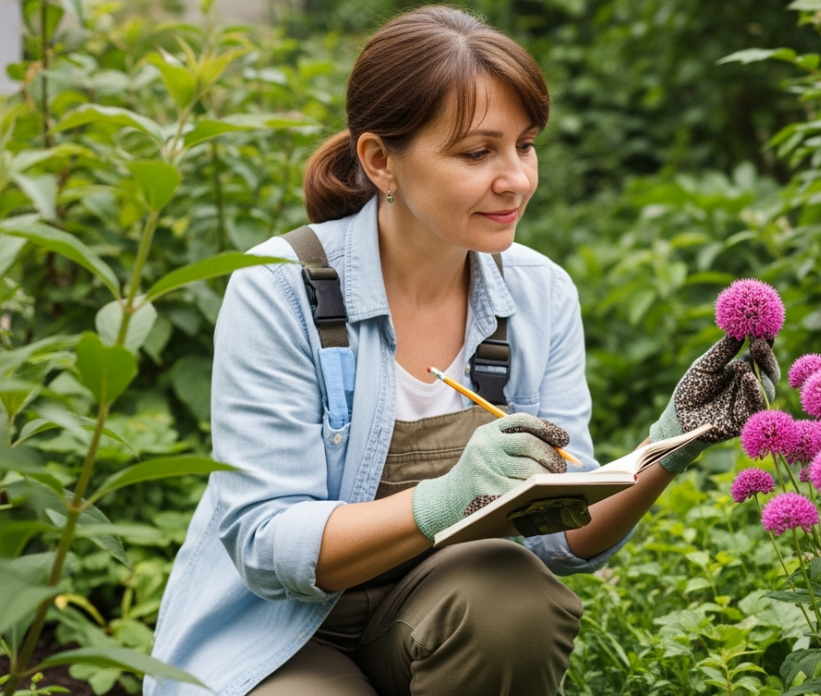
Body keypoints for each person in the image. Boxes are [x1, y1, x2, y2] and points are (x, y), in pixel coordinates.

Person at [144, 6, 779, 696]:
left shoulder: (538, 293)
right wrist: (444, 500)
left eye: (525, 145)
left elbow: (558, 539)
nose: (517, 180)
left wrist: (665, 448)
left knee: (514, 597)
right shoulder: (280, 288)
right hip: (275, 632)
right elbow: (266, 541)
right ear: (381, 161)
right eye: (477, 153)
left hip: (433, 613)